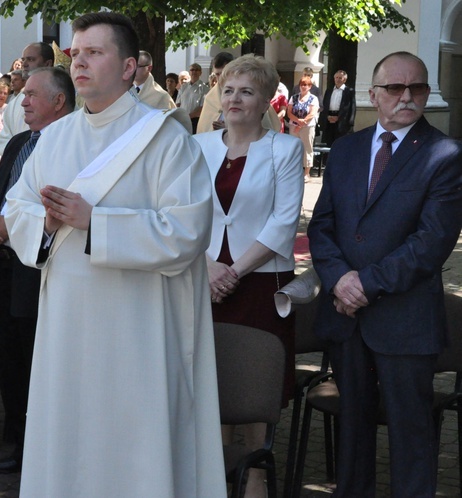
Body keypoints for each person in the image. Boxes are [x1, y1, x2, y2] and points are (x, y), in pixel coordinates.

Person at [4, 12, 225, 497]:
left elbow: (186, 231)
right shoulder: (54, 137)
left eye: (94, 53)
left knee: (129, 443)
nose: (79, 62)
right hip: (66, 322)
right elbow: (15, 207)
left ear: (128, 67)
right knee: (69, 432)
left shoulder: (166, 138)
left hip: (135, 327)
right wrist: (44, 221)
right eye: (75, 54)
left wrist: (95, 223)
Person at [308, 51, 462, 498]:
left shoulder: (446, 154)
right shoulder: (348, 149)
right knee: (352, 434)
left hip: (405, 319)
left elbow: (430, 244)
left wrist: (364, 286)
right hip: (345, 319)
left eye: (417, 87)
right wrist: (339, 280)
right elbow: (322, 226)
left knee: (410, 436)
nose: (407, 97)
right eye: (395, 88)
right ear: (374, 95)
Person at [193, 54, 304, 498]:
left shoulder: (284, 148)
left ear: (266, 102)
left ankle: (256, 476)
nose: (235, 98)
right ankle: (217, 474)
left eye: (247, 91)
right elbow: (184, 215)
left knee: (254, 387)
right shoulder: (197, 146)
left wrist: (232, 272)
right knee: (214, 378)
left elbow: (283, 222)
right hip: (203, 278)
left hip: (259, 282)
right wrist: (206, 265)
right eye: (229, 89)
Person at [0, 67, 75, 475]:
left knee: (39, 365)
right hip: (0, 269)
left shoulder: (72, 145)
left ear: (59, 101)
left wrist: (12, 227)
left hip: (39, 272)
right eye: (23, 93)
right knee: (10, 363)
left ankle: (42, 448)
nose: (23, 100)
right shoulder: (18, 142)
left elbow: (58, 207)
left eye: (33, 94)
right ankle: (18, 441)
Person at [0, 42, 54, 155]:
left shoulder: (58, 97)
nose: (24, 64)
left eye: (31, 59)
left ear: (48, 63)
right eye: (23, 60)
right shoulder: (15, 103)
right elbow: (4, 140)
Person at [287, 76, 319, 180]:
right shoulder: (294, 97)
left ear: (310, 86)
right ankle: (295, 171)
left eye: (306, 85)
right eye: (302, 85)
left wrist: (301, 124)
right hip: (294, 126)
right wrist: (297, 121)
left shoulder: (313, 98)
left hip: (307, 127)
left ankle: (306, 173)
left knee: (307, 148)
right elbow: (289, 112)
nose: (303, 87)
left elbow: (312, 113)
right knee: (294, 148)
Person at [319, 69, 356, 146]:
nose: (338, 79)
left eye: (340, 78)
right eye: (336, 77)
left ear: (344, 80)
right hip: (329, 121)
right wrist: (327, 117)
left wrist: (342, 119)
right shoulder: (329, 91)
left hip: (341, 122)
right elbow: (325, 105)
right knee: (329, 144)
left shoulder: (349, 91)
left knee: (341, 144)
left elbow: (352, 108)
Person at [175, 62, 209, 132]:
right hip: (182, 120)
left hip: (195, 121)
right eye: (192, 70)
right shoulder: (183, 87)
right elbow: (178, 104)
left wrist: (188, 116)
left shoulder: (204, 88)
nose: (194, 72)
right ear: (189, 72)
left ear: (200, 73)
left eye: (197, 70)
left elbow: (202, 107)